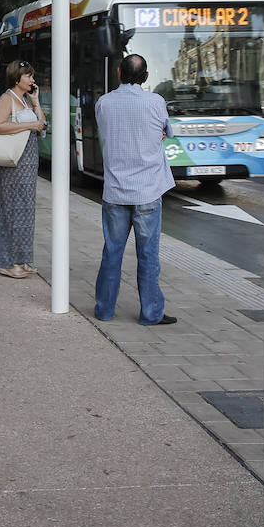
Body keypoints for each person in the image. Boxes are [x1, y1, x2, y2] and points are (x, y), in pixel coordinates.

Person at [92, 54, 177, 326]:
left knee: (112, 252)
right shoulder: (155, 102)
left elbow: (106, 131)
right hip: (148, 192)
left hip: (115, 192)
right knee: (149, 255)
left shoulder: (103, 103)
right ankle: (150, 313)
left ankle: (104, 310)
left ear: (118, 73)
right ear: (146, 77)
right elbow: (168, 132)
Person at [0, 60, 47, 279]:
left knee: (25, 211)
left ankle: (22, 259)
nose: (33, 80)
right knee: (11, 210)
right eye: (29, 76)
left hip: (28, 162)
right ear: (17, 78)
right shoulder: (7, 98)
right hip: (13, 163)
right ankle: (6, 261)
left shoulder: (25, 100)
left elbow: (42, 124)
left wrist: (36, 101)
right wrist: (30, 125)